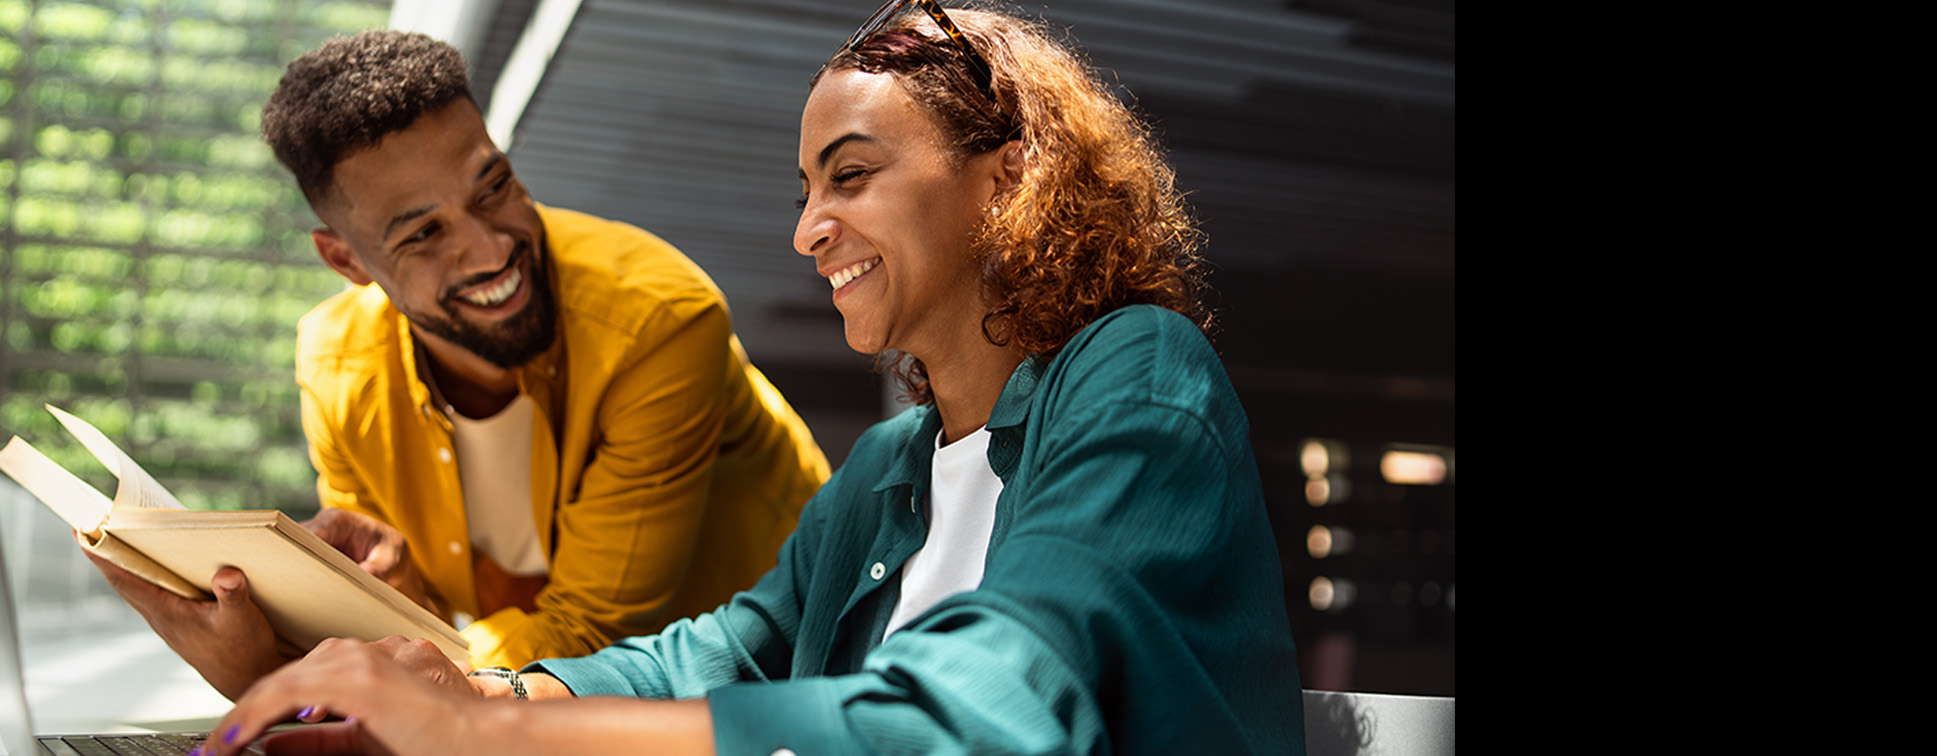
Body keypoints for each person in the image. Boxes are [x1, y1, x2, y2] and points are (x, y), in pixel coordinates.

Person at [196, 4, 1304, 754]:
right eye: (804, 192)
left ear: (1006, 177)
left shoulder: (1137, 373)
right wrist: (491, 692)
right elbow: (723, 646)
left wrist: (498, 732)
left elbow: (976, 709)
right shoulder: (886, 468)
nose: (810, 231)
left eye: (852, 176)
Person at [81, 30, 832, 701]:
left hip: (790, 675)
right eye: (423, 234)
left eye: (494, 186)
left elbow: (594, 630)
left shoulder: (658, 321)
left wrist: (289, 675)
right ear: (345, 259)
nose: (490, 248)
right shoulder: (339, 367)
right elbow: (437, 643)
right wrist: (382, 597)